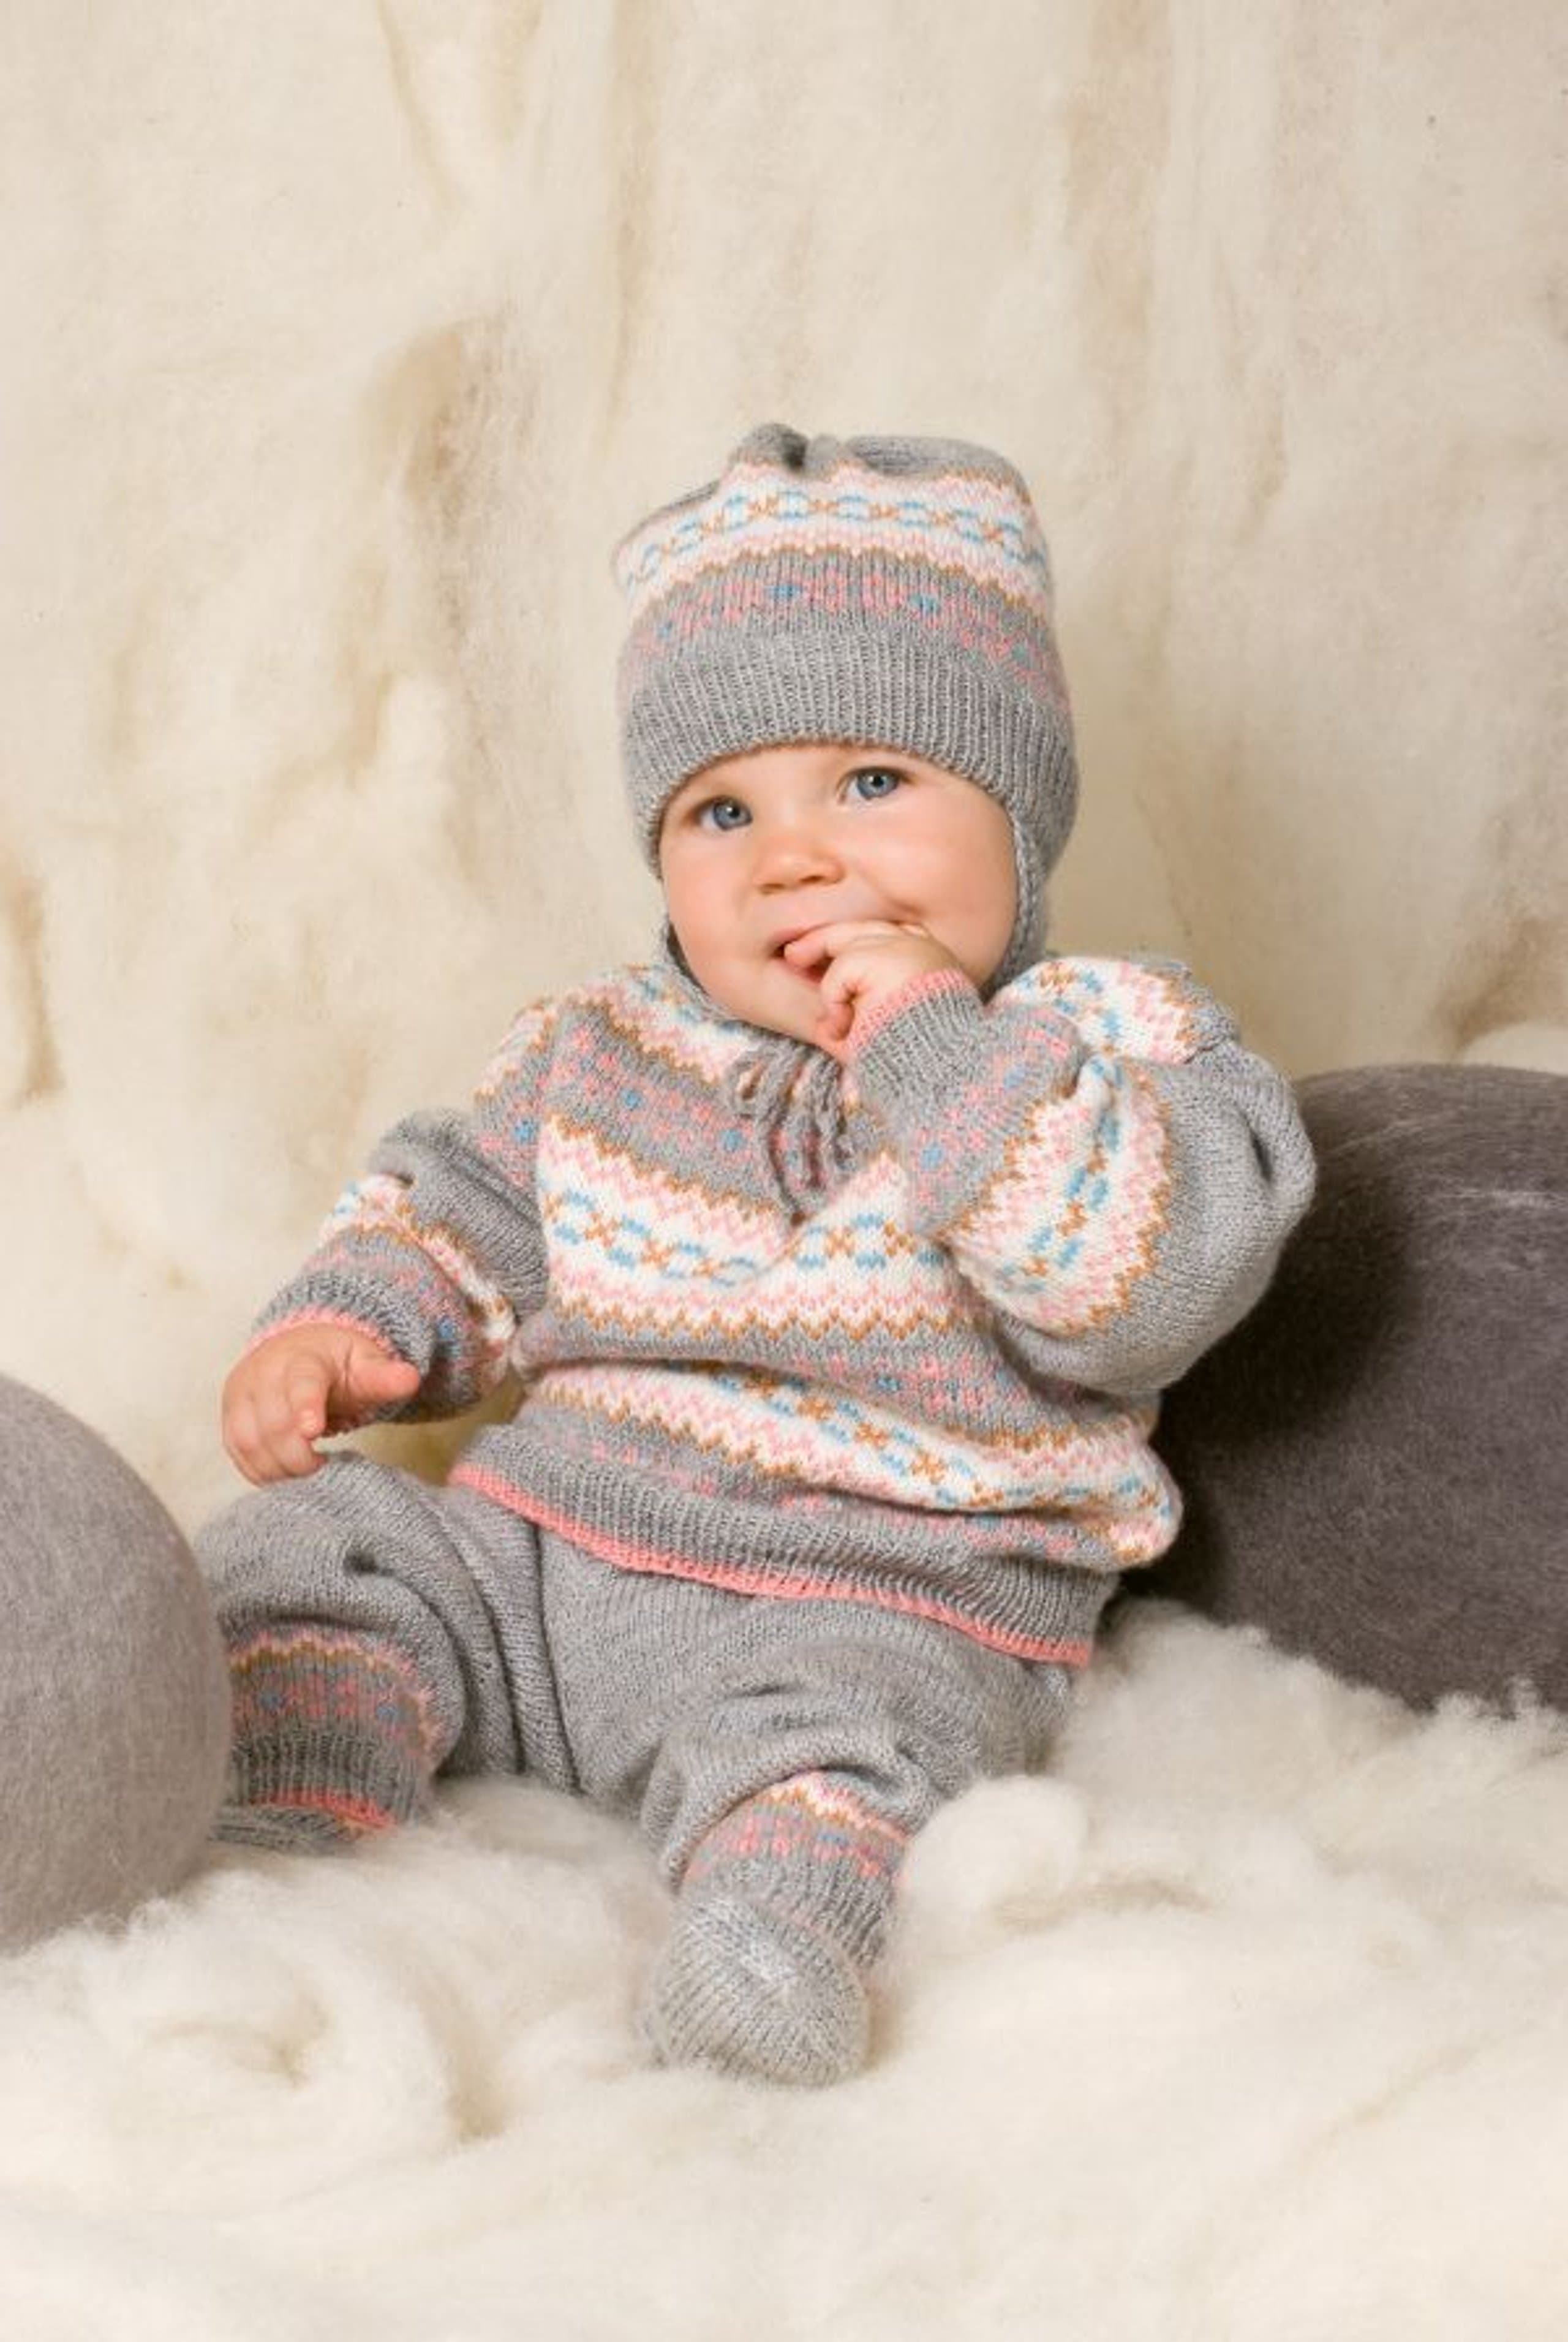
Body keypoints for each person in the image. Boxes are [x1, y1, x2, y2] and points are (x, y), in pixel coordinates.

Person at [198, 423, 1316, 2085]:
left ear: (1018, 814)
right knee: (323, 1539)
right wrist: (349, 1330)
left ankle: (775, 1931)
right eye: (720, 809)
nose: (790, 854)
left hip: (885, 1591)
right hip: (544, 1558)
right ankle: (301, 1763)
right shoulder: (601, 1047)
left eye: (872, 784)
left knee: (849, 1755)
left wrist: (934, 1047)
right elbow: (465, 1206)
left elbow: (1136, 1297)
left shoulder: (1112, 1040)